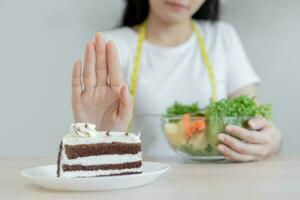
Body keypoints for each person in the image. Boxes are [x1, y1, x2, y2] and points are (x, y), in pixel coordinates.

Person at [70, 0, 282, 161]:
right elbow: (96, 153)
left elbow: (256, 118)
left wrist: (271, 140)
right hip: (140, 183)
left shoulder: (221, 36)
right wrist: (94, 133)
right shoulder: (113, 45)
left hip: (216, 184)